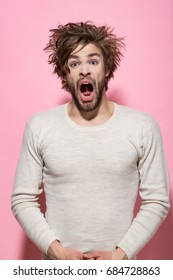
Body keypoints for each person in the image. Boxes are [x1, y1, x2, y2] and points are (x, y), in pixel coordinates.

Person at [11, 22, 170, 260]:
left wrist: (120, 256)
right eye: (74, 64)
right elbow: (22, 199)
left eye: (93, 61)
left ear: (106, 68)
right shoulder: (40, 126)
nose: (84, 70)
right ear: (66, 74)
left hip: (120, 271)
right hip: (57, 270)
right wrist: (58, 252)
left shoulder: (142, 126)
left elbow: (157, 200)